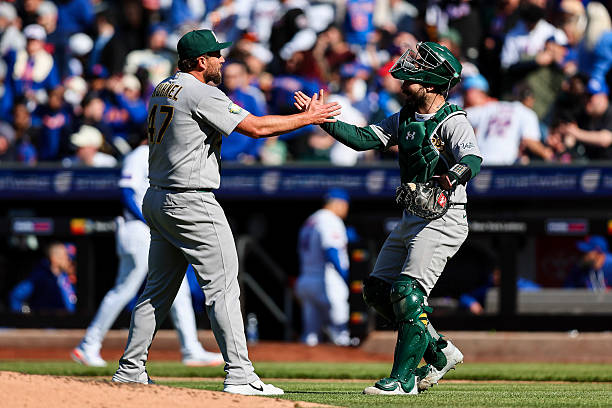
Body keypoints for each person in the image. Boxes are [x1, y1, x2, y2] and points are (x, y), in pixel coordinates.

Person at [111, 29, 340, 395]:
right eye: (217, 55)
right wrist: (308, 118)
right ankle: (240, 374)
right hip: (191, 199)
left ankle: (131, 368)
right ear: (201, 61)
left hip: (158, 197)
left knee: (157, 290)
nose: (222, 60)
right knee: (223, 287)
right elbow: (256, 127)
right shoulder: (201, 91)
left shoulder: (162, 87)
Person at [295, 41, 482, 395]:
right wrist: (323, 120)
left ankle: (403, 380)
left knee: (408, 291)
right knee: (379, 291)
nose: (404, 76)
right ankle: (439, 352)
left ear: (430, 81)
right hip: (412, 215)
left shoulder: (454, 120)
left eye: (416, 70)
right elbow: (363, 138)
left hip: (444, 216)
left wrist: (452, 176)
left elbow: (472, 159)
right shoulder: (405, 116)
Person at [71, 135, 224, 368]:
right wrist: (150, 219)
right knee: (125, 289)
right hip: (138, 229)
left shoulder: (154, 155)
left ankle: (191, 349)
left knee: (179, 289)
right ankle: (89, 344)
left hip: (151, 230)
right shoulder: (139, 154)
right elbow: (125, 191)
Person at [296, 188, 351, 347]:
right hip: (327, 280)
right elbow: (331, 250)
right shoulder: (330, 220)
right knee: (341, 334)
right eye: (346, 205)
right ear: (338, 204)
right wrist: (345, 276)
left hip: (306, 279)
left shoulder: (311, 219)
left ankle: (303, 367)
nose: (346, 209)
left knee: (310, 336)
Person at [462, 74, 553, 165]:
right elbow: (530, 141)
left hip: (480, 162)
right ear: (530, 99)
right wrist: (546, 153)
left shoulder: (491, 106)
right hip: (502, 166)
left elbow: (461, 116)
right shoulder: (526, 113)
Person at [10, 242, 76, 314]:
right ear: (54, 258)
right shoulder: (39, 278)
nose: (68, 260)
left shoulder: (64, 277)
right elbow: (15, 297)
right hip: (46, 323)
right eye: (65, 256)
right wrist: (27, 316)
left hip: (67, 323)